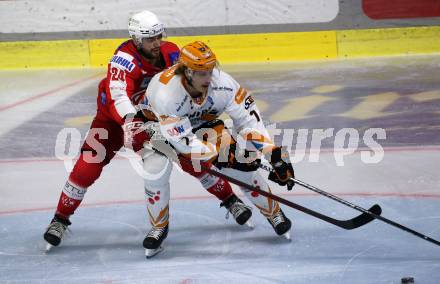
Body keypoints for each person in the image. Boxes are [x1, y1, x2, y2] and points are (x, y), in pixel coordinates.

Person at [43, 11, 251, 250]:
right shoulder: (123, 60)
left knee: (191, 159)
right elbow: (117, 95)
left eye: (158, 37)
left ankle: (230, 200)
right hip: (114, 121)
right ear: (136, 39)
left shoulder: (173, 53)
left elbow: (188, 85)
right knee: (87, 166)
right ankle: (60, 219)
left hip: (155, 121)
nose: (156, 43)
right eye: (149, 39)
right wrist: (131, 120)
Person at [144, 41, 295, 257]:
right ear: (187, 72)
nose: (208, 78)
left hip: (201, 125)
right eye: (201, 73)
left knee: (241, 168)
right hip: (158, 129)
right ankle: (159, 226)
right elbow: (182, 143)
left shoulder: (223, 83)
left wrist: (272, 153)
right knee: (154, 169)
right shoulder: (167, 95)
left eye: (210, 70)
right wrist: (219, 156)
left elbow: (248, 119)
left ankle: (274, 213)